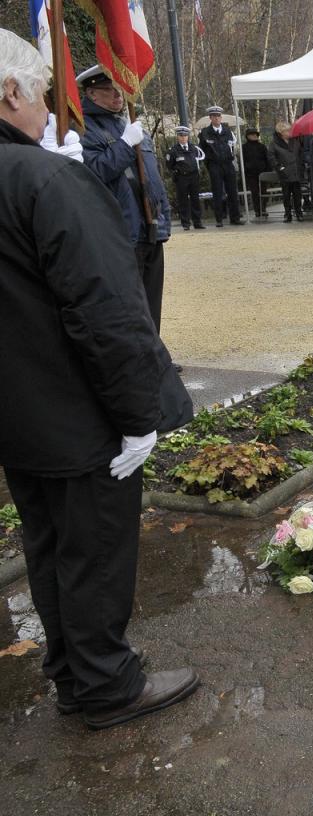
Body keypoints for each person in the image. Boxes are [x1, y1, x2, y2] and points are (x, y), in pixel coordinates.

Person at [0, 29, 199, 730]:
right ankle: (106, 684)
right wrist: (138, 412)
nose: (50, 111)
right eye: (45, 95)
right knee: (93, 551)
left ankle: (73, 671)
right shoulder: (43, 177)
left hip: (17, 413)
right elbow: (105, 309)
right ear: (10, 93)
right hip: (75, 408)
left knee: (50, 546)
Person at [77, 65, 173, 336]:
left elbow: (153, 177)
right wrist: (124, 145)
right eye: (109, 91)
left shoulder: (125, 123)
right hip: (121, 227)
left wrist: (163, 215)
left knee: (152, 297)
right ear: (92, 94)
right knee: (129, 299)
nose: (118, 96)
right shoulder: (85, 129)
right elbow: (96, 171)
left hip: (149, 224)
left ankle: (154, 350)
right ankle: (138, 355)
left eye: (119, 90)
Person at [197, 105, 243, 226]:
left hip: (228, 163)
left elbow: (233, 146)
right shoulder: (205, 132)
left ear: (221, 117)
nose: (216, 118)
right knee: (217, 192)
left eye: (218, 116)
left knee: (233, 191)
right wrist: (208, 163)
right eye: (214, 116)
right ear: (210, 118)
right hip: (214, 164)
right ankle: (219, 219)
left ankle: (235, 217)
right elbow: (201, 151)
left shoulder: (228, 131)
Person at [165, 126, 204, 231]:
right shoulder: (173, 150)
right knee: (183, 201)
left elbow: (199, 160)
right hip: (181, 177)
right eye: (181, 136)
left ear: (188, 136)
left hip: (193, 176)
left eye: (185, 136)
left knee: (195, 199)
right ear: (177, 137)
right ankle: (185, 223)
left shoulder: (193, 148)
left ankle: (197, 222)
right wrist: (177, 171)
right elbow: (169, 164)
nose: (183, 138)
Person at [271, 122, 304, 222]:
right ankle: (287, 214)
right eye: (287, 130)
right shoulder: (274, 143)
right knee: (286, 195)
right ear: (281, 132)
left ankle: (299, 213)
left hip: (296, 171)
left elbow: (300, 153)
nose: (290, 132)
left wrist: (301, 166)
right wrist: (280, 168)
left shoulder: (295, 141)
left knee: (297, 194)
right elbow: (271, 157)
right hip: (284, 173)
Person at [241, 127, 271, 218]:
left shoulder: (262, 146)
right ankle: (257, 210)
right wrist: (246, 170)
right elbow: (242, 160)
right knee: (255, 192)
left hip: (262, 173)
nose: (254, 136)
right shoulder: (244, 147)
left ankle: (263, 208)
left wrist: (268, 171)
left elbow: (267, 159)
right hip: (251, 174)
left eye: (255, 134)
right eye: (252, 134)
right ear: (247, 136)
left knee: (264, 191)